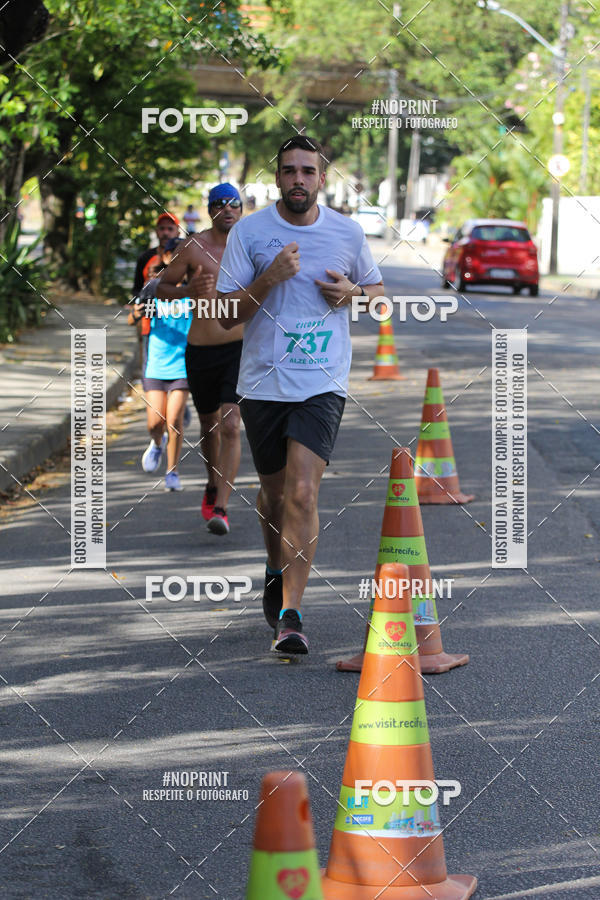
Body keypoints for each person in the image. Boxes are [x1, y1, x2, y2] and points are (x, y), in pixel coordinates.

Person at [217, 136, 384, 655]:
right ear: (277, 178)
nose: (298, 180)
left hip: (322, 382)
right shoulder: (249, 232)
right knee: (272, 495)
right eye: (289, 171)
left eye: (307, 171)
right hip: (263, 383)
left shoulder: (347, 232)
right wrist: (269, 278)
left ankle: (291, 614)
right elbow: (226, 315)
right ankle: (275, 566)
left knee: (303, 493)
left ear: (322, 179)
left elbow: (379, 301)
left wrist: (355, 295)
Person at [155, 184, 244, 534]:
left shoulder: (250, 245)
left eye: (234, 203)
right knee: (209, 427)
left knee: (231, 424)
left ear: (241, 209)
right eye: (220, 204)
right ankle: (212, 482)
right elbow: (161, 288)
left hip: (238, 349)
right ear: (210, 210)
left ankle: (221, 507)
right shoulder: (193, 247)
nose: (227, 209)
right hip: (201, 350)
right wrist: (186, 290)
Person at [128, 237, 191, 491]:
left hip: (183, 365)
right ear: (165, 257)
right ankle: (157, 443)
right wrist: (137, 313)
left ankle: (172, 472)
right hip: (156, 363)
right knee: (155, 423)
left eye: (183, 256)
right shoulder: (153, 288)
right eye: (173, 255)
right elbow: (132, 318)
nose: (178, 260)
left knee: (174, 419)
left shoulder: (194, 289)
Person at [132, 212, 180, 295]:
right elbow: (137, 289)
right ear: (156, 232)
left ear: (178, 233)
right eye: (162, 228)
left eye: (170, 229)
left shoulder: (185, 256)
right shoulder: (145, 257)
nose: (165, 233)